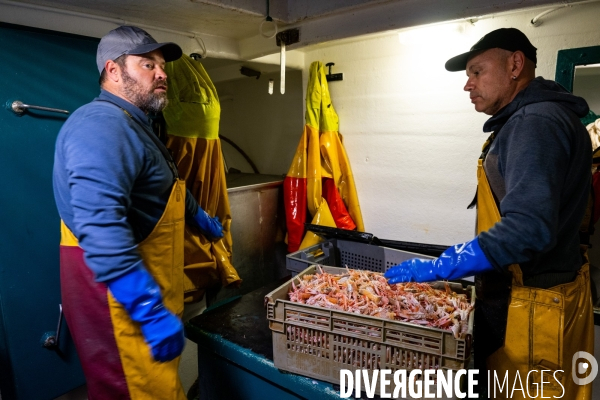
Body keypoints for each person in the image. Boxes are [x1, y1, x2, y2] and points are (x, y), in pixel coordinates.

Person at [385, 28, 594, 398]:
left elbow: (528, 229)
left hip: (534, 311)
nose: (468, 84)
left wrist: (444, 265)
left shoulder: (535, 123)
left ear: (515, 64)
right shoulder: (532, 119)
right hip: (540, 297)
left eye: (477, 71)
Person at [53, 25, 223, 399]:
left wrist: (199, 218)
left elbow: (165, 182)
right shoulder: (101, 125)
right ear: (113, 71)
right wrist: (149, 310)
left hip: (148, 305)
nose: (162, 73)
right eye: (148, 64)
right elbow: (99, 227)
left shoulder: (137, 124)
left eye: (161, 65)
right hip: (124, 313)